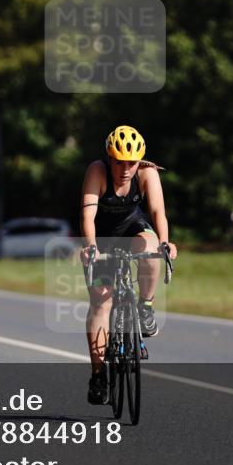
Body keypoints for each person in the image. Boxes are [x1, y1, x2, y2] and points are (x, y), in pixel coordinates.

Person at [79, 125, 177, 405]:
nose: (125, 169)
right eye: (119, 162)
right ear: (109, 158)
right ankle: (98, 376)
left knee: (150, 246)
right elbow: (87, 215)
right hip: (103, 238)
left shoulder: (148, 173)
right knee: (101, 301)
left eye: (131, 163)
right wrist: (90, 246)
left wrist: (166, 243)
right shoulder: (97, 172)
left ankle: (145, 307)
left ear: (139, 161)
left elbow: (158, 211)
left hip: (134, 228)